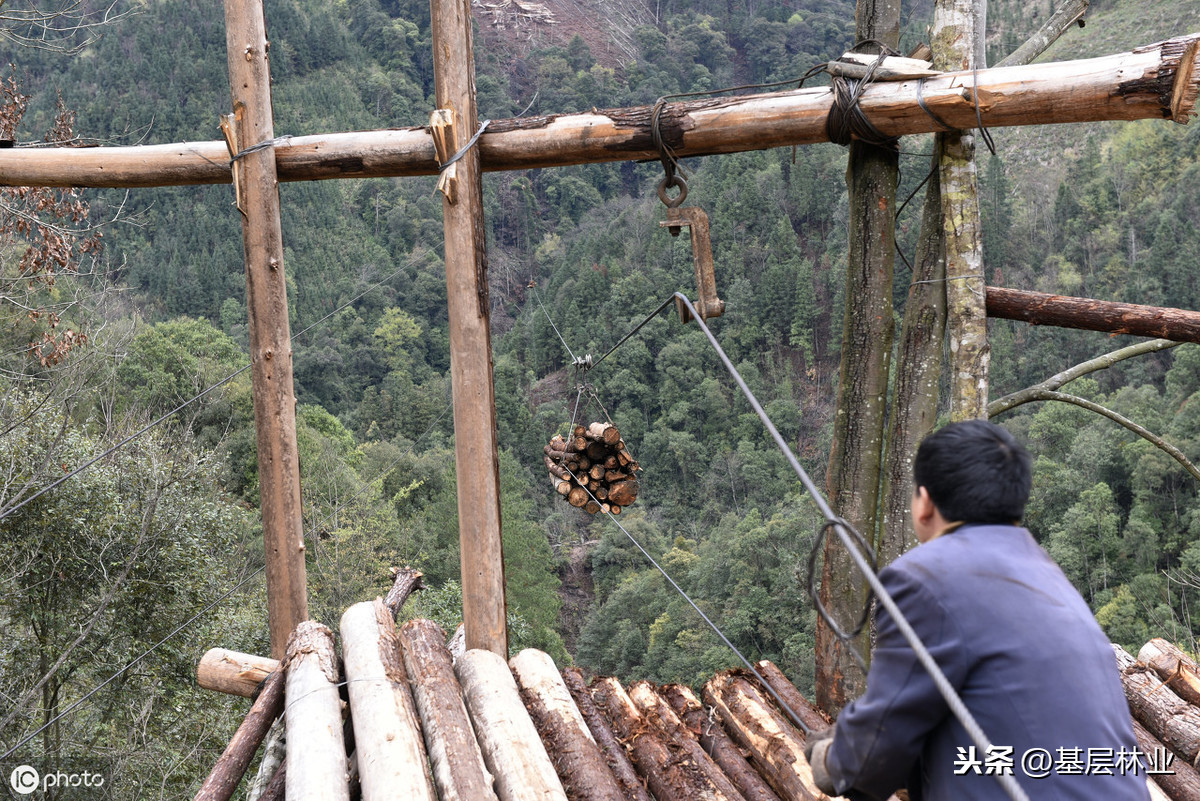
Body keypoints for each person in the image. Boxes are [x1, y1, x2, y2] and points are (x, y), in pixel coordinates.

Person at [804, 419, 1150, 801]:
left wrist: (827, 759)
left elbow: (873, 757)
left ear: (925, 502)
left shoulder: (921, 577)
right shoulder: (1048, 575)